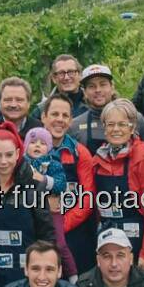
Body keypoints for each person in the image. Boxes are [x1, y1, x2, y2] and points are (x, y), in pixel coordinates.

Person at [0, 121, 56, 287]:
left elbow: (47, 236)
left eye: (8, 155)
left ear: (17, 154)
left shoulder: (35, 190)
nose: (3, 161)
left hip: (24, 280)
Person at [88, 98, 144, 273]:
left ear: (132, 127)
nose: (116, 129)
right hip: (108, 245)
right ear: (104, 127)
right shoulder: (97, 160)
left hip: (139, 246)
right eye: (110, 124)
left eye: (122, 124)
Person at [42, 91, 97, 273]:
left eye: (65, 115)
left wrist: (62, 225)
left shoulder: (80, 152)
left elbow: (88, 198)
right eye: (55, 114)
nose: (60, 119)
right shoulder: (30, 152)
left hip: (75, 233)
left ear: (71, 120)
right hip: (40, 231)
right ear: (44, 117)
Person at [23, 126, 78, 278]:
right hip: (30, 209)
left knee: (59, 243)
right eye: (33, 142)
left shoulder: (54, 163)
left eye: (42, 143)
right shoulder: (21, 164)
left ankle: (71, 273)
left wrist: (44, 179)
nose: (37, 145)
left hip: (53, 211)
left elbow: (61, 184)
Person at [71, 64, 144, 153]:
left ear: (112, 87)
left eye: (103, 84)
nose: (98, 90)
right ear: (85, 92)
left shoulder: (135, 119)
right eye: (91, 86)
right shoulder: (74, 126)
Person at [30, 53, 87, 123]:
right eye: (61, 73)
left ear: (80, 75)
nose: (66, 77)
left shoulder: (94, 105)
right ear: (54, 78)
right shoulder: (41, 110)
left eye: (71, 72)